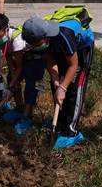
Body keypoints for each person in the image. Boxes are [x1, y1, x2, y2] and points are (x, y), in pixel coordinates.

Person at [21, 16, 94, 149]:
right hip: (60, 50)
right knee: (57, 87)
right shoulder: (39, 40)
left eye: (37, 44)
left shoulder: (64, 35)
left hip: (81, 50)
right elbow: (50, 61)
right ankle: (60, 122)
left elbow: (73, 65)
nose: (36, 47)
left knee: (74, 87)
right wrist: (56, 82)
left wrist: (64, 87)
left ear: (45, 37)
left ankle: (71, 131)